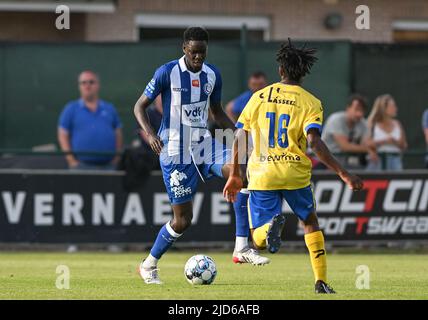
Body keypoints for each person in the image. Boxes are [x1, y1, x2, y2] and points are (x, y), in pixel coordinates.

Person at [223, 39, 364, 294]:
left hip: (263, 172)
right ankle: (320, 281)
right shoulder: (311, 102)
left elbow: (239, 136)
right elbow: (314, 142)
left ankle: (269, 228)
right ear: (304, 72)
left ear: (280, 70)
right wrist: (343, 173)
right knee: (310, 221)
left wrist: (235, 173)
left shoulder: (258, 97)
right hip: (295, 172)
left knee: (257, 239)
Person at [134, 27, 269, 285]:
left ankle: (242, 247)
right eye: (193, 52)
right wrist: (150, 134)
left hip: (204, 145)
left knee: (241, 172)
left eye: (202, 53)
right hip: (175, 152)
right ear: (184, 48)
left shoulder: (212, 74)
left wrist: (240, 135)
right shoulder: (167, 72)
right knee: (183, 221)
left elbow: (217, 112)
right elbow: (139, 106)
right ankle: (149, 264)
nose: (198, 57)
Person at [58, 70, 123, 170]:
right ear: (79, 86)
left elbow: (118, 133)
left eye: (91, 82)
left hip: (109, 167)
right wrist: (71, 160)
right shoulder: (71, 109)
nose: (87, 85)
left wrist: (116, 159)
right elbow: (62, 135)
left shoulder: (109, 108)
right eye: (83, 82)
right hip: (80, 167)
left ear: (98, 85)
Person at [321, 94, 377, 169]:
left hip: (343, 165)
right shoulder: (336, 119)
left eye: (362, 111)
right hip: (322, 162)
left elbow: (367, 143)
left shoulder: (363, 123)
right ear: (348, 108)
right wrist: (367, 149)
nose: (359, 114)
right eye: (356, 109)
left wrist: (370, 146)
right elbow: (345, 146)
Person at [367, 94, 407, 171]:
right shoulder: (372, 124)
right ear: (384, 109)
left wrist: (394, 141)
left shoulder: (398, 124)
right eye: (392, 106)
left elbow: (404, 145)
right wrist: (384, 141)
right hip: (377, 161)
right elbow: (366, 143)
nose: (396, 108)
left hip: (396, 161)